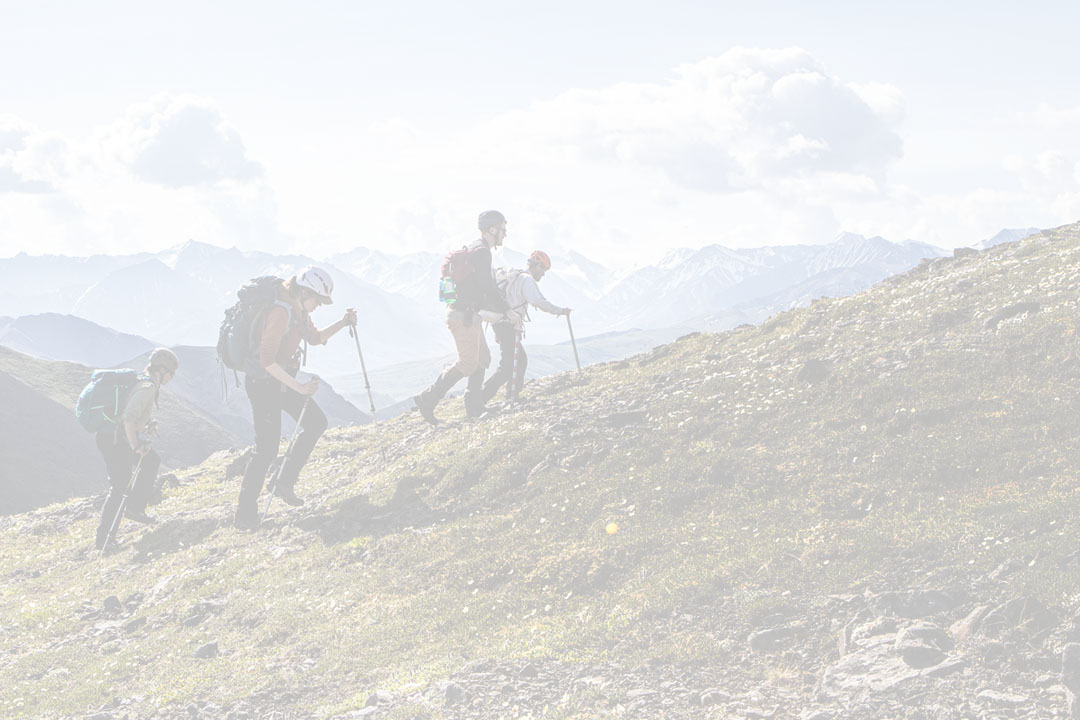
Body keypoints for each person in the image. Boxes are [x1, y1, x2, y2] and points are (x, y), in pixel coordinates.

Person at [234, 266, 356, 529]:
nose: (318, 307)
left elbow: (315, 338)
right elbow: (266, 361)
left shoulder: (298, 310)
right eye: (317, 301)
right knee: (266, 450)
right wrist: (299, 387)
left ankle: (283, 482)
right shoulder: (280, 312)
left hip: (281, 380)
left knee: (315, 423)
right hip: (263, 384)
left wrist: (343, 323)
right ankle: (244, 516)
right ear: (303, 292)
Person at [414, 210, 512, 424]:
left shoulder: (476, 249)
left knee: (483, 358)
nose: (505, 234)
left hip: (467, 314)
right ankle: (427, 398)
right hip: (463, 316)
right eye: (503, 229)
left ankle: (474, 406)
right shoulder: (482, 252)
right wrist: (506, 309)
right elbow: (488, 286)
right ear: (492, 230)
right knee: (468, 363)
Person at [94, 347, 179, 551]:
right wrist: (136, 445)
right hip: (114, 439)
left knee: (150, 461)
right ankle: (104, 540)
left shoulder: (145, 381)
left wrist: (146, 424)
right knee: (121, 486)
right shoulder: (148, 387)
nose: (171, 377)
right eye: (171, 373)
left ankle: (135, 508)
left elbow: (131, 414)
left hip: (115, 437)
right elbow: (129, 418)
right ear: (162, 370)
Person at [479, 250, 571, 406]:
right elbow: (538, 301)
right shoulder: (527, 280)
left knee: (518, 361)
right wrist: (559, 311)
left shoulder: (517, 277)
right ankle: (484, 397)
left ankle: (510, 394)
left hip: (502, 324)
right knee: (510, 363)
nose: (543, 274)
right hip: (507, 324)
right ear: (536, 265)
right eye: (543, 269)